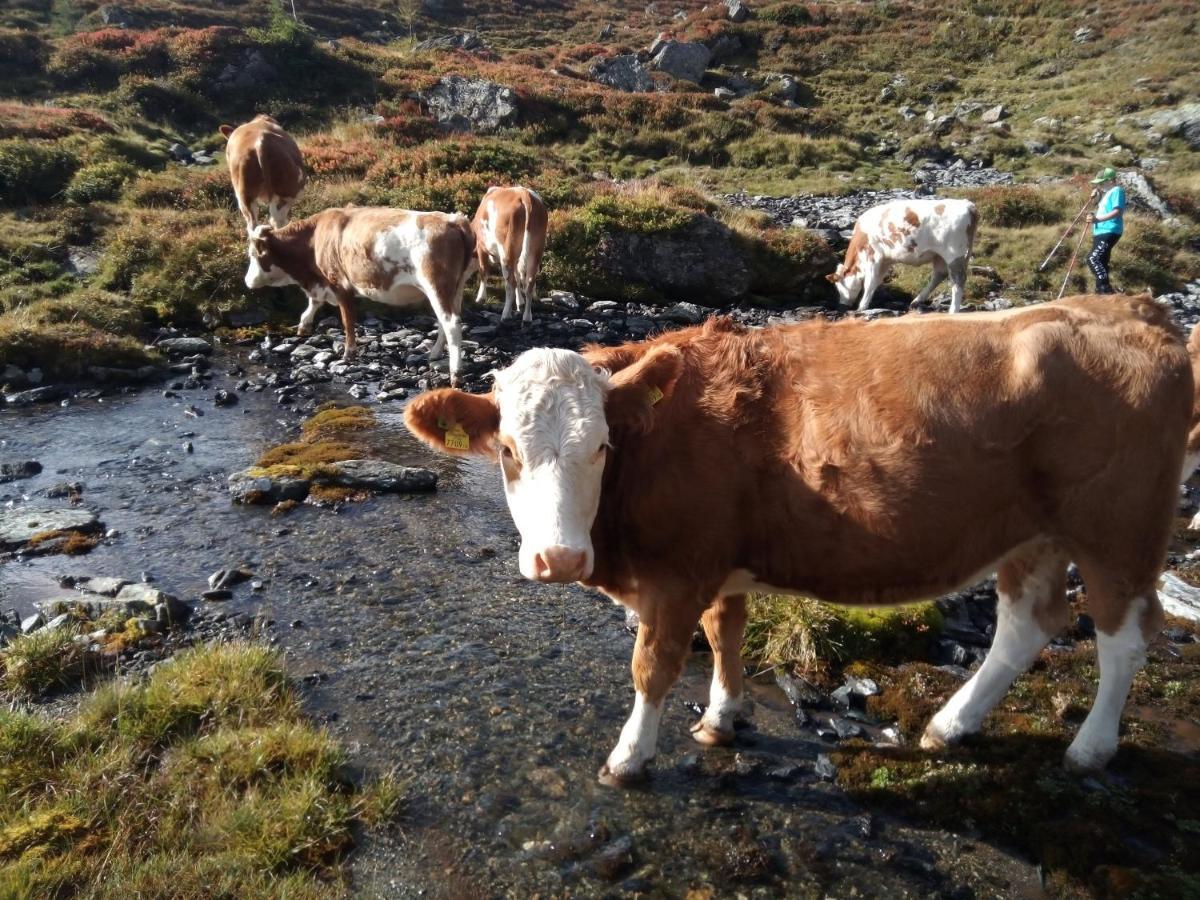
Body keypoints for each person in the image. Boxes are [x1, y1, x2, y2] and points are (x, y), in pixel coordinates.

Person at [1086, 166, 1125, 294]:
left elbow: (1117, 211)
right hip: (1100, 231)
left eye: (1102, 183)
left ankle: (1105, 287)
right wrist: (1096, 196)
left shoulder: (1117, 190)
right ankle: (1100, 291)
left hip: (1109, 230)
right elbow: (1103, 207)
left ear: (1111, 180)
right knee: (1102, 260)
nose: (1100, 185)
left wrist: (1097, 220)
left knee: (1093, 258)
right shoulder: (1107, 194)